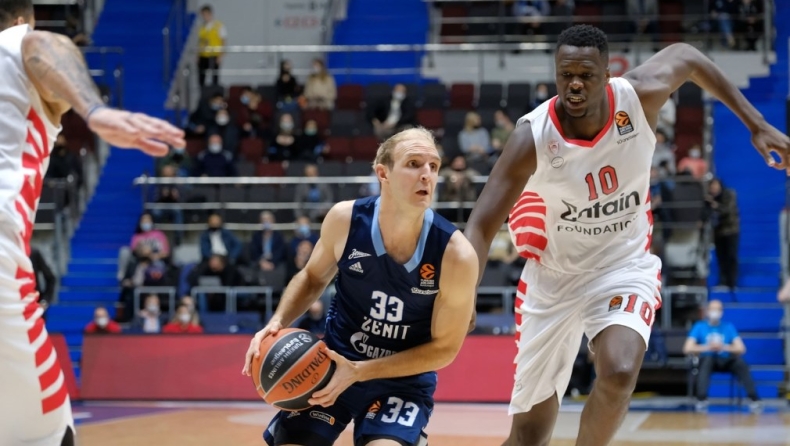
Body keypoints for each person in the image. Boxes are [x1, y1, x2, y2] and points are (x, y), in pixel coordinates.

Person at [463, 24, 789, 446]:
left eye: (586, 75)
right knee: (528, 435)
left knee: (618, 372)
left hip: (622, 266)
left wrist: (756, 124)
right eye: (566, 75)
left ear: (607, 74)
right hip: (553, 279)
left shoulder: (637, 97)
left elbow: (687, 55)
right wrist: (465, 291)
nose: (575, 84)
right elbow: (481, 224)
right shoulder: (532, 136)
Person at [0, 2, 184, 445]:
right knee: (45, 434)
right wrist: (95, 111)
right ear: (23, 19)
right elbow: (40, 45)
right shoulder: (18, 42)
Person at [242, 127, 478, 446]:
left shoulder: (456, 255)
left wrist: (360, 370)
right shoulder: (345, 219)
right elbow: (312, 277)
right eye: (413, 164)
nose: (427, 175)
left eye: (433, 166)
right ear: (383, 173)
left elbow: (444, 349)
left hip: (402, 381)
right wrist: (276, 323)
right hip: (331, 365)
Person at [683, 299, 761, 412]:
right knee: (707, 360)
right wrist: (708, 347)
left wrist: (723, 347)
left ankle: (754, 398)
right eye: (713, 309)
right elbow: (687, 348)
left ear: (722, 312)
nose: (715, 312)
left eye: (718, 309)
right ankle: (701, 398)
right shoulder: (699, 326)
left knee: (741, 363)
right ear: (707, 311)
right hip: (707, 359)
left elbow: (741, 348)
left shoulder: (728, 327)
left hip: (725, 359)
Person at [706, 178, 740, 289]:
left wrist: (715, 205)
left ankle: (732, 282)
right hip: (718, 232)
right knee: (721, 258)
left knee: (731, 256)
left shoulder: (729, 194)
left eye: (715, 186)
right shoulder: (709, 198)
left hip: (731, 231)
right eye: (712, 187)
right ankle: (723, 281)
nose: (714, 189)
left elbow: (727, 210)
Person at [196, 5, 226, 86]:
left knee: (214, 76)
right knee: (201, 76)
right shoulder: (201, 27)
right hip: (203, 54)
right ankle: (202, 91)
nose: (204, 17)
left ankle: (214, 90)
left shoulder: (219, 26)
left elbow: (223, 41)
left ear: (210, 14)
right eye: (203, 15)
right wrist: (197, 56)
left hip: (214, 54)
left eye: (206, 14)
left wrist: (220, 55)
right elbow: (199, 42)